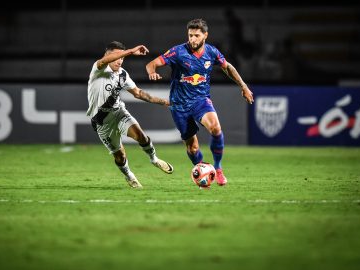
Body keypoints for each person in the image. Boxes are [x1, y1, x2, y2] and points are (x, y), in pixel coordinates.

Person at [146, 18, 254, 186]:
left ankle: (217, 169)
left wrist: (244, 86)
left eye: (196, 35)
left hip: (200, 100)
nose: (192, 39)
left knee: (216, 128)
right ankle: (202, 170)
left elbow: (228, 67)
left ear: (205, 35)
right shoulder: (177, 52)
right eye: (190, 35)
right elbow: (152, 64)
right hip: (179, 105)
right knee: (193, 148)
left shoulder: (212, 52)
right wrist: (152, 72)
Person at [87, 41, 174, 188]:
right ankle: (129, 176)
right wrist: (131, 51)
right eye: (116, 56)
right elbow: (105, 61)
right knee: (120, 156)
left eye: (122, 57)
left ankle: (154, 159)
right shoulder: (99, 68)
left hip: (118, 112)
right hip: (102, 121)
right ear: (107, 55)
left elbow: (138, 93)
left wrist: (164, 102)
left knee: (141, 135)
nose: (119, 60)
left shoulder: (122, 74)